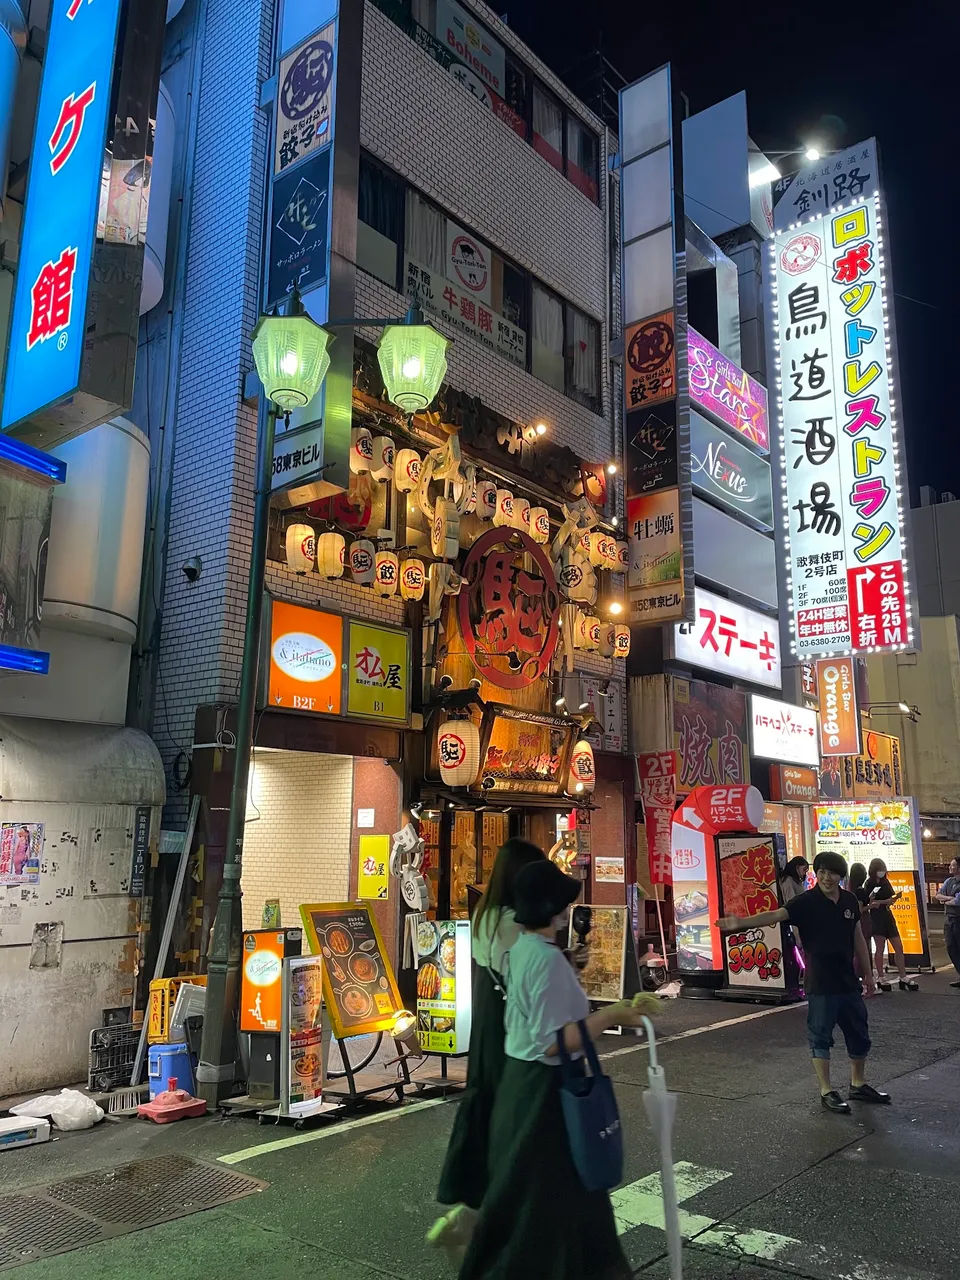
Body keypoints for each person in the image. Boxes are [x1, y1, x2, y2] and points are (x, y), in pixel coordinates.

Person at [458, 859, 658, 1279]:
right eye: (564, 904)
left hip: (522, 1084)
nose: (570, 911)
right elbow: (552, 1039)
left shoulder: (525, 950)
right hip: (545, 1089)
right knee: (551, 1197)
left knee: (534, 1192)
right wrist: (614, 1013)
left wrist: (573, 965)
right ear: (550, 907)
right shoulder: (546, 961)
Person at [428, 837, 545, 1259]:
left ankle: (473, 1212)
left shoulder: (483, 918)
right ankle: (488, 1220)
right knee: (514, 1117)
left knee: (489, 1107)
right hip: (510, 1032)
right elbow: (528, 984)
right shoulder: (515, 923)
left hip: (485, 1031)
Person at [717, 850, 889, 1115]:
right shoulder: (805, 902)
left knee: (858, 1033)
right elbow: (775, 915)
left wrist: (868, 974)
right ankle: (827, 1091)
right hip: (820, 982)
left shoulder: (850, 901)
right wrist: (740, 922)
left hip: (848, 980)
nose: (826, 877)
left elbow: (857, 938)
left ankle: (858, 1084)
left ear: (840, 876)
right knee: (820, 1036)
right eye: (820, 872)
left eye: (831, 872)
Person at [864, 857, 918, 991]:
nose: (882, 872)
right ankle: (881, 977)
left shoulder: (885, 882)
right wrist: (882, 902)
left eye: (883, 869)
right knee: (879, 948)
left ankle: (903, 976)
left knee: (898, 947)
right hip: (876, 917)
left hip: (888, 916)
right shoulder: (869, 883)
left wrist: (890, 900)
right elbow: (870, 902)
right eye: (880, 869)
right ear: (874, 870)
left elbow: (890, 899)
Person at [934, 856, 960, 987]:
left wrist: (948, 900)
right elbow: (937, 896)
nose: (950, 867)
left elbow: (957, 901)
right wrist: (949, 898)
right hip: (949, 919)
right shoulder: (949, 881)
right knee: (951, 947)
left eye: (953, 865)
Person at [848, 862, 875, 982]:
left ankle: (860, 976)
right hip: (863, 922)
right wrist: (871, 906)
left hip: (857, 922)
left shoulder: (851, 889)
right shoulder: (860, 891)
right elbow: (859, 909)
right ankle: (864, 977)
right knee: (864, 949)